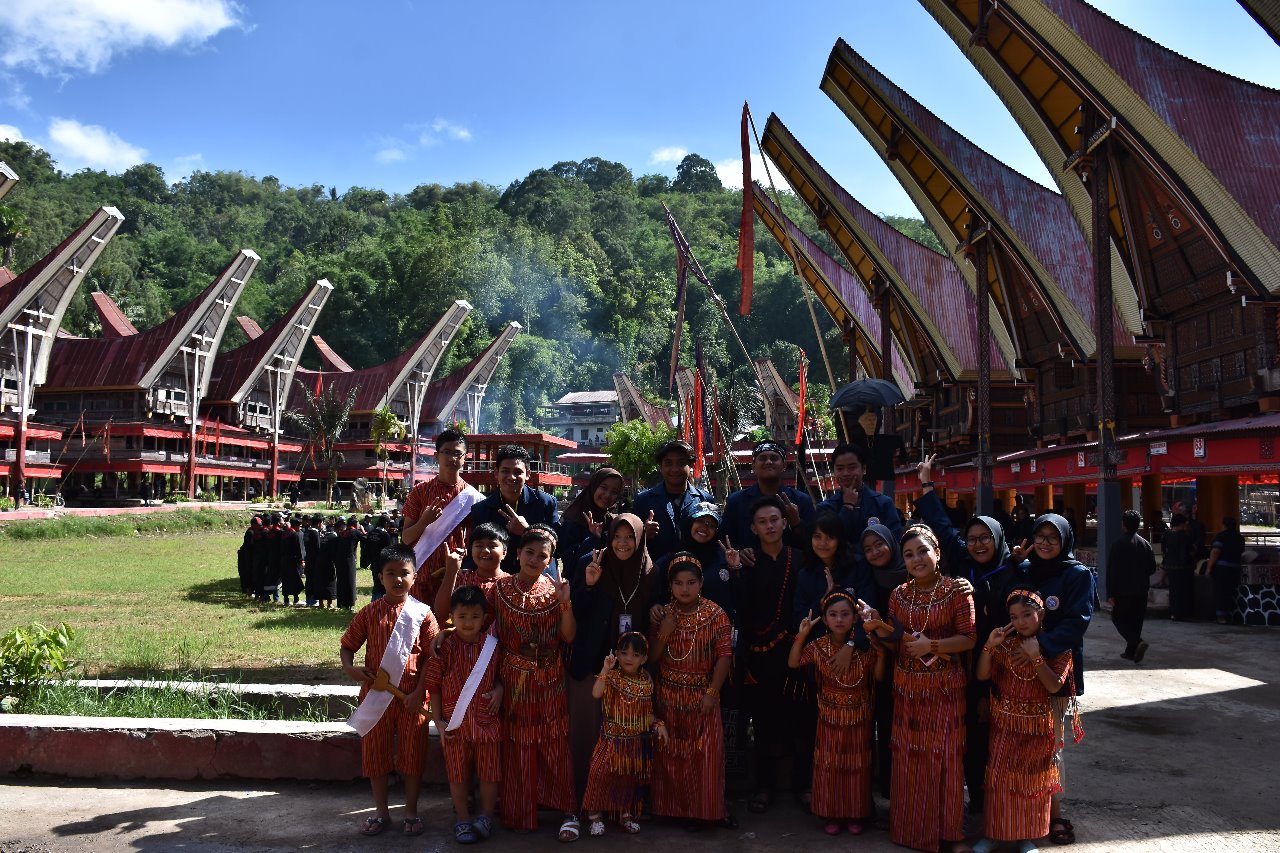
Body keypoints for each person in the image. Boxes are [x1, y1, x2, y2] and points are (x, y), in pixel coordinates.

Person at [912, 454, 1017, 815]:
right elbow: (941, 527)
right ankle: (976, 802)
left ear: (998, 538)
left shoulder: (1015, 574)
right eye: (972, 538)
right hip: (964, 667)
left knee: (1001, 737)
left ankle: (1007, 807)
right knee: (971, 737)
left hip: (1003, 670)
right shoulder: (964, 565)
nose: (977, 544)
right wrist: (927, 483)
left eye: (985, 538)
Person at [863, 524, 976, 853]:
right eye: (909, 554)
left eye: (923, 551)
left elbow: (969, 638)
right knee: (910, 757)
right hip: (908, 686)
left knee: (945, 758)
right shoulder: (898, 594)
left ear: (937, 553)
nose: (917, 559)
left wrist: (934, 646)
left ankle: (950, 834)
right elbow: (897, 641)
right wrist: (876, 625)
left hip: (945, 687)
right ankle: (911, 830)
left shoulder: (958, 591)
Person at [485, 524, 579, 840]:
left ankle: (567, 809)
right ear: (517, 553)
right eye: (529, 553)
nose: (534, 560)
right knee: (518, 745)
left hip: (550, 677)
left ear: (550, 560)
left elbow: (568, 636)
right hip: (513, 678)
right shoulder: (497, 590)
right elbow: (480, 633)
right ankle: (520, 811)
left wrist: (565, 603)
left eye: (542, 556)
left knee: (555, 743)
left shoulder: (555, 591)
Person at [339, 544, 440, 838]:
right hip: (376, 696)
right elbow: (348, 646)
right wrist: (350, 669)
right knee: (376, 756)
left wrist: (419, 691)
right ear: (380, 577)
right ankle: (381, 812)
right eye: (390, 573)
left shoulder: (424, 614)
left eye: (404, 573)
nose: (398, 579)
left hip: (412, 699)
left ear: (415, 576)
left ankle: (410, 811)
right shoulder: (369, 612)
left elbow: (433, 659)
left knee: (412, 755)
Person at [1009, 513, 1094, 845]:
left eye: (1052, 537)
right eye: (1039, 536)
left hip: (1056, 668)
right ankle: (1020, 812)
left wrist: (1040, 646)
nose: (1045, 543)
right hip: (1016, 670)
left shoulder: (1077, 575)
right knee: (1019, 744)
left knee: (1051, 746)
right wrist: (1015, 565)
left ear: (1064, 540)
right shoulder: (1027, 570)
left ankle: (1053, 814)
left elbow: (1078, 622)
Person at [973, 590, 1078, 853]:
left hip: (1037, 727)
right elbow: (982, 674)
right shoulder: (1006, 645)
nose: (1020, 622)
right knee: (998, 779)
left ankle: (1026, 838)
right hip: (1004, 724)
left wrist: (1036, 656)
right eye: (1014, 617)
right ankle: (994, 835)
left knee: (1031, 781)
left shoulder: (1057, 649)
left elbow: (1054, 686)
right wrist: (989, 645)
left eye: (1027, 615)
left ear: (1041, 614)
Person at [568, 514, 655, 804]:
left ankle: (621, 803)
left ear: (640, 538)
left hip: (631, 668)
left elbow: (652, 611)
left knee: (624, 740)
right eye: (616, 536)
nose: (622, 543)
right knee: (590, 735)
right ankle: (585, 800)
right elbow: (575, 611)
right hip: (594, 664)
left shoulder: (648, 569)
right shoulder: (591, 562)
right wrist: (590, 584)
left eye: (629, 537)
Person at [789, 591, 885, 836]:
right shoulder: (818, 646)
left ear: (855, 618)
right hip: (829, 716)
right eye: (833, 614)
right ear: (825, 618)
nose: (839, 619)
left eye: (845, 614)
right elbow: (793, 662)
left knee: (857, 765)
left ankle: (855, 813)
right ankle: (831, 813)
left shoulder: (865, 646)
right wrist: (802, 633)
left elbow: (879, 676)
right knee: (830, 765)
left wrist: (881, 652)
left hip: (859, 716)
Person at [734, 495, 807, 815]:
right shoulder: (747, 562)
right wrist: (735, 573)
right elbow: (741, 609)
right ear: (753, 528)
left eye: (775, 519)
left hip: (796, 652)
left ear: (784, 521)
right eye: (762, 521)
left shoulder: (801, 559)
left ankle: (803, 785)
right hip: (759, 654)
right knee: (762, 722)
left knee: (800, 721)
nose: (770, 526)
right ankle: (762, 786)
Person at [650, 553, 734, 828]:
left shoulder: (716, 614)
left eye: (690, 583)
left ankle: (706, 813)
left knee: (705, 756)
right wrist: (664, 631)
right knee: (670, 756)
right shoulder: (663, 613)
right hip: (668, 694)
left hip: (702, 694)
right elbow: (651, 658)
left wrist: (712, 692)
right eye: (678, 583)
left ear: (701, 584)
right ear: (670, 586)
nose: (684, 589)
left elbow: (724, 656)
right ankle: (672, 810)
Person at [425, 584, 503, 845]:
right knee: (457, 775)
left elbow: (502, 677)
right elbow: (433, 686)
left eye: (475, 617)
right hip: (454, 726)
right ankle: (462, 819)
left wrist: (500, 690)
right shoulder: (444, 647)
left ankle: (486, 817)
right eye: (462, 617)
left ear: (484, 617)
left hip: (486, 722)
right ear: (452, 617)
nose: (468, 623)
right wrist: (438, 720)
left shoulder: (493, 646)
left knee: (490, 773)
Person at [582, 633, 668, 837]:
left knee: (628, 779)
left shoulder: (646, 684)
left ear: (644, 659)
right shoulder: (611, 678)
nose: (629, 658)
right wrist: (605, 668)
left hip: (632, 743)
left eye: (635, 654)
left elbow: (646, 714)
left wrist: (658, 724)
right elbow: (596, 693)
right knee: (598, 774)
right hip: (610, 740)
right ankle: (594, 815)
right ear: (617, 655)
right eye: (624, 653)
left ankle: (626, 814)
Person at [402, 429, 483, 606]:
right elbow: (406, 538)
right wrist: (424, 521)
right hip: (421, 573)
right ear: (436, 455)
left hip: (458, 574)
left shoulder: (474, 498)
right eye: (447, 452)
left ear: (465, 457)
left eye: (457, 453)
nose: (452, 458)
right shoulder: (420, 492)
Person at [469, 445, 560, 576]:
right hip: (498, 577)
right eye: (505, 471)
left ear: (528, 474)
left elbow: (559, 547)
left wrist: (527, 531)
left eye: (517, 472)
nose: (511, 477)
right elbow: (475, 548)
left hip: (539, 576)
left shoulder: (545, 503)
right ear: (496, 473)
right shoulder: (481, 509)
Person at [816, 443, 902, 579]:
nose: (845, 473)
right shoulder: (825, 508)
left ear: (864, 469)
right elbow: (830, 546)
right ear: (834, 471)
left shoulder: (883, 503)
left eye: (852, 467)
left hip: (879, 577)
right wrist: (847, 507)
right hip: (840, 577)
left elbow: (894, 542)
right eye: (840, 468)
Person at [720, 439, 816, 554]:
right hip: (749, 569)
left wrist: (796, 523)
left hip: (792, 568)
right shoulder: (736, 501)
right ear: (753, 466)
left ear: (784, 465)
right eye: (762, 458)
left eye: (774, 458)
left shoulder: (801, 500)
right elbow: (724, 541)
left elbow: (814, 542)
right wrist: (739, 552)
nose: (768, 462)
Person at [793, 511, 875, 635]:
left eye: (830, 537)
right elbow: (798, 619)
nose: (822, 543)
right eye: (817, 536)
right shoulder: (805, 573)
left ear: (839, 539)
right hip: (818, 644)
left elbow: (868, 611)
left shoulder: (858, 565)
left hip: (856, 643)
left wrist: (850, 645)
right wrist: (822, 601)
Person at [631, 440, 713, 563]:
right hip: (654, 575)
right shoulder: (643, 500)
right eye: (668, 463)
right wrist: (642, 533)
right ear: (661, 467)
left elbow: (715, 542)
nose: (674, 469)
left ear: (691, 465)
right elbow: (628, 541)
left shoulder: (704, 500)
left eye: (681, 463)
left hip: (693, 576)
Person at [434, 522, 511, 624]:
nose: (485, 550)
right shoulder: (462, 578)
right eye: (479, 546)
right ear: (471, 551)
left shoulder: (510, 584)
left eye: (492, 546)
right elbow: (441, 612)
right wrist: (451, 572)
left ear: (504, 552)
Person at [1107, 509, 1157, 663]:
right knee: (1136, 621)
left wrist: (1110, 593)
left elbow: (1112, 571)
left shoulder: (1118, 544)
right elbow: (1152, 568)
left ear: (1124, 525)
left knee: (1118, 619)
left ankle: (1137, 642)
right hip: (1141, 589)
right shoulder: (1145, 544)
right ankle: (1131, 651)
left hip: (1123, 590)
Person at [559, 467, 624, 581]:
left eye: (614, 492)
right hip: (578, 588)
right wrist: (593, 538)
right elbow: (570, 563)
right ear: (594, 486)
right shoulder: (574, 519)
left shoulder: (613, 522)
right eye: (603, 488)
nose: (607, 495)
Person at [1207, 516, 1246, 625]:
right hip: (1235, 568)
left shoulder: (1221, 537)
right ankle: (1229, 615)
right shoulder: (1240, 538)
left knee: (1220, 593)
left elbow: (1215, 552)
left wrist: (1209, 568)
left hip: (1222, 569)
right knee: (1230, 592)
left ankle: (1221, 617)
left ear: (1223, 525)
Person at [1162, 513, 1196, 621]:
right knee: (1185, 591)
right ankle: (1184, 613)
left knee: (1174, 590)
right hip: (1185, 567)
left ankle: (1174, 613)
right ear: (1181, 524)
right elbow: (1189, 551)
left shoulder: (1167, 534)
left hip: (1171, 566)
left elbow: (1164, 550)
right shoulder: (1185, 536)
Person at [332, 516, 365, 609]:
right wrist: (362, 530)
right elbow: (366, 539)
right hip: (349, 559)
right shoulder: (355, 532)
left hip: (339, 560)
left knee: (341, 580)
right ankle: (350, 603)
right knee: (350, 580)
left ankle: (341, 602)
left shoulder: (343, 533)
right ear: (355, 524)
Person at [311, 516, 338, 609]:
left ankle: (323, 603)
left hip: (320, 561)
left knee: (322, 581)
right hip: (327, 561)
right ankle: (326, 603)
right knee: (327, 581)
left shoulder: (317, 535)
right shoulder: (316, 534)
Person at [280, 515, 305, 606]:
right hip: (293, 560)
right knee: (295, 580)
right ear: (295, 525)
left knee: (286, 580)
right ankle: (296, 599)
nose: (300, 528)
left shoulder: (284, 533)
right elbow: (298, 549)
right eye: (299, 526)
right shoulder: (295, 534)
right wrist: (301, 560)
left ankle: (286, 600)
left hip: (284, 560)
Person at [238, 517, 260, 596]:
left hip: (249, 555)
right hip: (247, 555)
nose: (259, 526)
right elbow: (250, 546)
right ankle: (248, 590)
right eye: (258, 525)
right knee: (248, 572)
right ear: (253, 524)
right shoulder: (250, 532)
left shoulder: (253, 531)